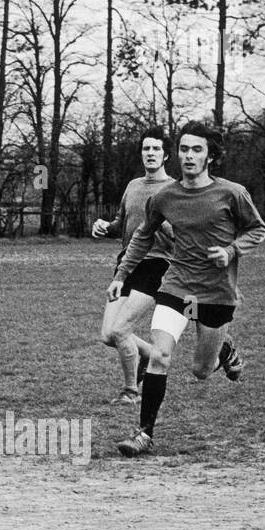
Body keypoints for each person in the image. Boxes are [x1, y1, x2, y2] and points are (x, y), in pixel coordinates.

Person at [108, 121, 265, 457]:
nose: (189, 155)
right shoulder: (165, 196)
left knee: (201, 371)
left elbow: (257, 229)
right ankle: (143, 434)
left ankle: (223, 349)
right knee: (161, 355)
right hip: (177, 284)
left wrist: (231, 251)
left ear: (211, 156)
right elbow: (143, 236)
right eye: (184, 149)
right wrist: (122, 274)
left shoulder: (232, 193)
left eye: (197, 149)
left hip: (215, 291)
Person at [90, 127, 175, 405]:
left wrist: (159, 222)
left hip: (156, 265)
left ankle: (130, 392)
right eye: (146, 149)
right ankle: (150, 354)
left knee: (120, 330)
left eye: (156, 149)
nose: (150, 153)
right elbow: (122, 225)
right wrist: (106, 227)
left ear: (166, 155)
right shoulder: (133, 186)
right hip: (126, 264)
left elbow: (180, 237)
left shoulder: (174, 190)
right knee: (107, 335)